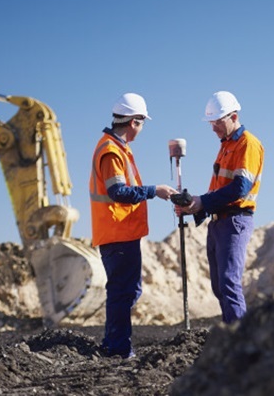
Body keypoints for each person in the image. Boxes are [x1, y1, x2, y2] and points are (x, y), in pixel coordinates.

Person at [89, 92, 177, 358]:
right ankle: (117, 348)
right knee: (122, 291)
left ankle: (113, 343)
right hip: (117, 233)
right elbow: (118, 192)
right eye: (142, 123)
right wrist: (154, 190)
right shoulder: (111, 151)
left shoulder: (117, 148)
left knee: (127, 290)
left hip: (121, 233)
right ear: (134, 121)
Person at [176, 91, 264, 324]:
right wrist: (196, 206)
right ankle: (231, 336)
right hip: (218, 222)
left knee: (228, 282)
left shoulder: (248, 144)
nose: (213, 128)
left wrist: (203, 202)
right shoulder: (226, 146)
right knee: (219, 286)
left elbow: (239, 188)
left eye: (217, 122)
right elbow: (219, 190)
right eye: (211, 123)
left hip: (235, 221)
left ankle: (239, 341)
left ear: (233, 116)